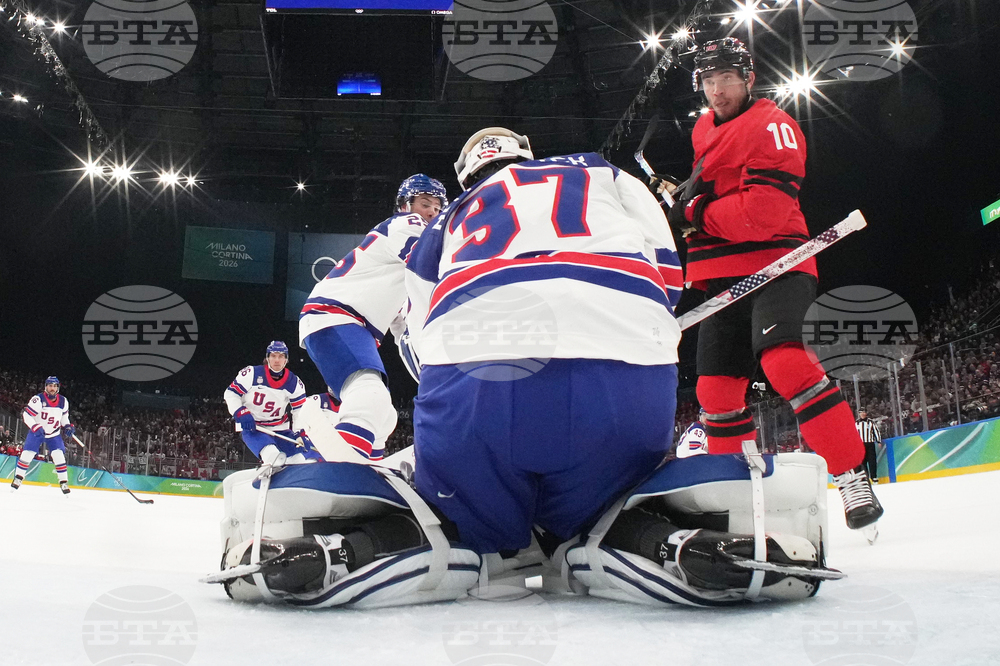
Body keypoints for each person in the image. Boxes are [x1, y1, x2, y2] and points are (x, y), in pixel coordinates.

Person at [404, 127, 685, 554]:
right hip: (626, 370)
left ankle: (468, 545)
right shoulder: (599, 169)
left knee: (467, 538)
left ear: (467, 178)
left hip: (478, 381)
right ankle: (633, 537)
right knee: (603, 522)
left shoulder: (445, 218)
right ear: (526, 155)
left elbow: (421, 333)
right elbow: (668, 273)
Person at [659, 38, 882, 530]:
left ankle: (851, 476)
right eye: (709, 81)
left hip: (776, 266)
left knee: (786, 363)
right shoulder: (701, 130)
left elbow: (764, 215)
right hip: (720, 278)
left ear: (748, 79)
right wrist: (689, 204)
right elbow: (722, 191)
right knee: (715, 393)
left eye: (727, 79)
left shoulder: (774, 126)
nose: (717, 91)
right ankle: (732, 500)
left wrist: (695, 209)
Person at [298, 174, 448, 462]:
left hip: (343, 323)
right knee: (369, 396)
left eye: (438, 207)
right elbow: (435, 267)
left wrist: (429, 378)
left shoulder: (407, 273)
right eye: (425, 203)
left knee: (384, 415)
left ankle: (366, 471)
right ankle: (336, 471)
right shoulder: (408, 225)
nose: (432, 211)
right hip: (336, 316)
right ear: (406, 205)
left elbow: (406, 332)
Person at [224, 341, 317, 468]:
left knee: (304, 458)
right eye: (273, 356)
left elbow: (299, 410)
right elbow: (231, 393)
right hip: (254, 427)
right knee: (272, 455)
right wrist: (240, 411)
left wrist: (300, 432)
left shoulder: (294, 383)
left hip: (280, 429)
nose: (277, 360)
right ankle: (271, 472)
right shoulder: (252, 374)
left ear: (286, 360)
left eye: (281, 356)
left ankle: (289, 481)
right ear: (267, 358)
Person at [11, 376, 74, 494]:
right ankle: (18, 478)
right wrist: (35, 427)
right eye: (50, 386)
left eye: (55, 386)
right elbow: (27, 415)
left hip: (54, 433)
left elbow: (64, 418)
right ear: (46, 387)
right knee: (27, 454)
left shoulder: (63, 401)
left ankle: (64, 482)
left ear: (58, 388)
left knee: (59, 455)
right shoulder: (38, 399)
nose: (52, 388)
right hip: (38, 432)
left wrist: (67, 427)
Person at [855, 408, 882, 483]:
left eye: (864, 412)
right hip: (861, 445)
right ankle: (866, 478)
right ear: (859, 414)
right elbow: (854, 435)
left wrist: (878, 441)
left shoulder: (871, 422)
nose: (863, 414)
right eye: (861, 412)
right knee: (863, 462)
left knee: (872, 461)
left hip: (870, 444)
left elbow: (876, 431)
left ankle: (874, 477)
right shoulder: (856, 423)